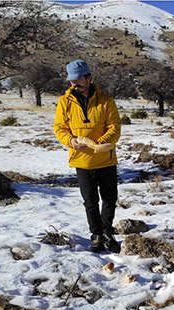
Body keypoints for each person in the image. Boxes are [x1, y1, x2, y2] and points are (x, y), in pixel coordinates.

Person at [53, 60, 122, 253]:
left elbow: (114, 127)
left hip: (105, 159)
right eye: (71, 80)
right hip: (82, 160)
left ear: (89, 78)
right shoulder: (64, 102)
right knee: (90, 201)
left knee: (109, 198)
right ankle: (96, 235)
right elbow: (59, 128)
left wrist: (102, 142)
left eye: (78, 79)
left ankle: (108, 232)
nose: (74, 84)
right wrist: (71, 141)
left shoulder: (106, 100)